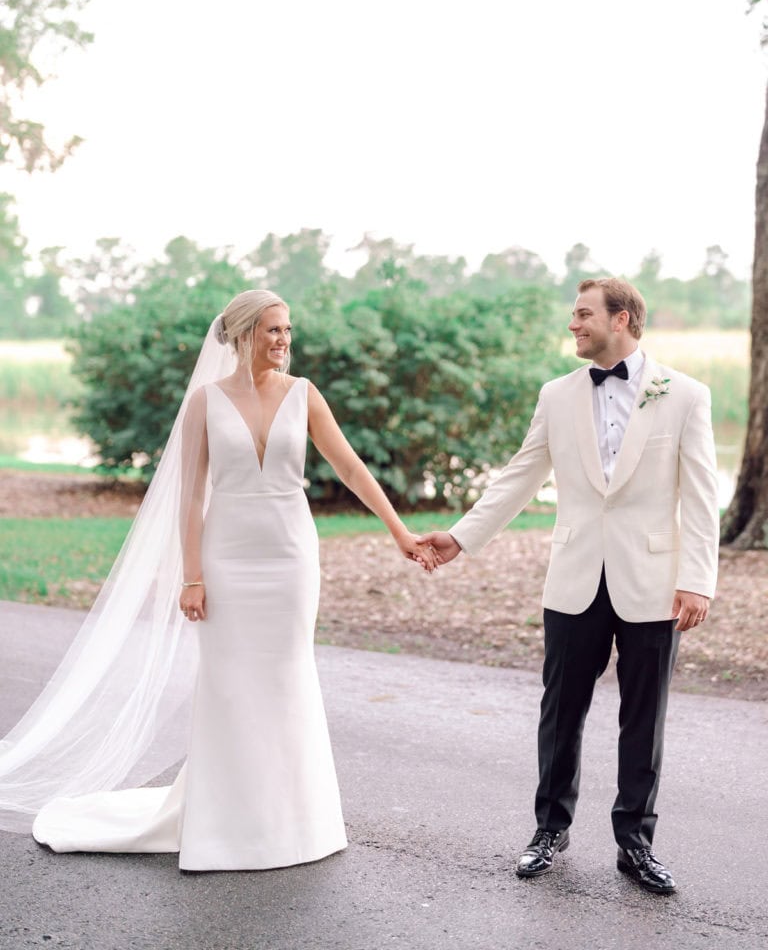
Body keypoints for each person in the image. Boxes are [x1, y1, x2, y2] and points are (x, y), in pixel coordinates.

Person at [5, 289, 436, 870]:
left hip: (289, 557)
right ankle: (225, 822)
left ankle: (295, 822)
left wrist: (399, 532)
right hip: (227, 557)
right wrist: (192, 576)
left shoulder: (304, 395)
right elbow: (190, 496)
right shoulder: (205, 402)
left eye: (287, 329)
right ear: (241, 336)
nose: (283, 341)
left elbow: (351, 468)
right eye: (272, 330)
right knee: (229, 683)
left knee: (286, 676)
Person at [416, 278, 719, 895]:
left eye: (584, 315)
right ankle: (548, 831)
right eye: (574, 315)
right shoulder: (556, 396)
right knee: (561, 713)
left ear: (624, 318)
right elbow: (520, 475)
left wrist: (697, 581)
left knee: (645, 718)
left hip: (654, 582)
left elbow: (703, 497)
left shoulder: (685, 395)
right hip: (575, 578)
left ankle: (636, 844)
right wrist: (462, 536)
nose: (573, 325)